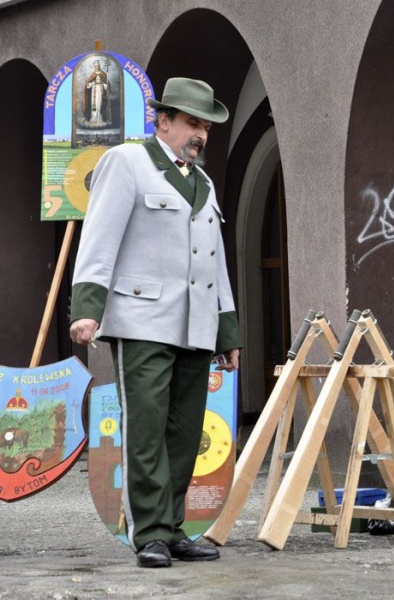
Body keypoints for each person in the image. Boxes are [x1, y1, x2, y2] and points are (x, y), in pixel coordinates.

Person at [69, 77, 241, 568]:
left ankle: (173, 527)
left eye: (205, 126)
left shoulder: (203, 183)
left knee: (184, 433)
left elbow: (216, 265)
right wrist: (86, 308)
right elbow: (98, 237)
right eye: (192, 122)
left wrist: (227, 333)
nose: (200, 134)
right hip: (141, 320)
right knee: (145, 431)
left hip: (195, 327)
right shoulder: (127, 163)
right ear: (162, 121)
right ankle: (149, 535)